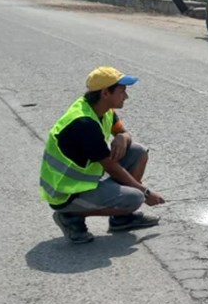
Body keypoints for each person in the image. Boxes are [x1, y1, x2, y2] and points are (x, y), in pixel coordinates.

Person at [40, 66, 165, 244]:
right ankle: (69, 216)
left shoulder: (103, 109)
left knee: (138, 151)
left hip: (85, 181)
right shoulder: (84, 123)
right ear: (106, 93)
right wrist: (145, 192)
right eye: (122, 92)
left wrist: (123, 136)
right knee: (135, 197)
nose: (126, 97)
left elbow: (124, 133)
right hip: (65, 194)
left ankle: (121, 219)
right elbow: (112, 167)